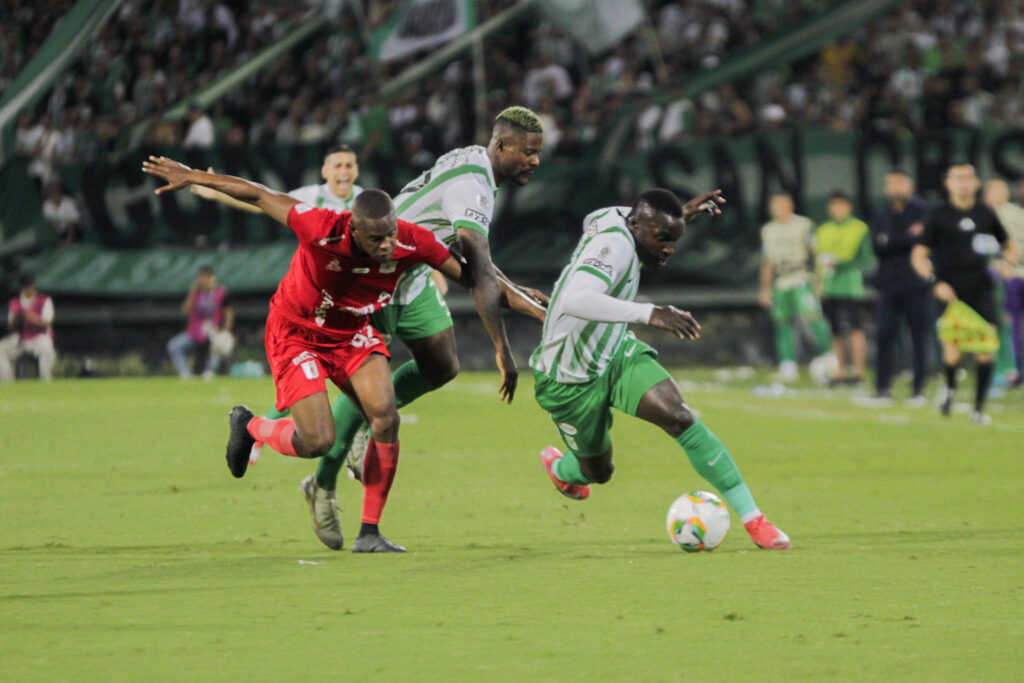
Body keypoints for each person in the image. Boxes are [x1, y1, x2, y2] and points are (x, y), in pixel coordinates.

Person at [142, 156, 478, 553]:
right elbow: (258, 195)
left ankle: (369, 532)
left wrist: (531, 304)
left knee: (386, 417)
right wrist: (196, 178)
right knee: (317, 440)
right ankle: (251, 427)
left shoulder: (399, 230)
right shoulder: (316, 218)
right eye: (378, 239)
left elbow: (475, 275)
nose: (388, 246)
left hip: (350, 328)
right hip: (297, 330)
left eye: (350, 164)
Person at [294, 106, 548, 551]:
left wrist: (522, 295)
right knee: (368, 397)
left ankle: (359, 430)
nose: (535, 161)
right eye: (528, 152)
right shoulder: (473, 188)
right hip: (372, 280)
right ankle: (322, 486)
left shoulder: (474, 159)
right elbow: (479, 277)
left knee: (442, 365)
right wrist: (503, 348)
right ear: (502, 146)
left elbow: (479, 266)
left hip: (411, 276)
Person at [532, 188, 790, 550]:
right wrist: (649, 312)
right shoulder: (615, 248)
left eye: (674, 239)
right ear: (635, 225)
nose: (668, 248)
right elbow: (576, 298)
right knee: (598, 471)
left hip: (615, 353)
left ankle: (756, 521)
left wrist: (679, 215)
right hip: (568, 380)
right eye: (662, 238)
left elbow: (595, 216)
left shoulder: (618, 219)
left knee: (679, 417)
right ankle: (561, 471)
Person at [192, 144, 367, 457]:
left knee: (363, 380)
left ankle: (353, 439)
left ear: (356, 170)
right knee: (313, 383)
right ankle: (260, 431)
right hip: (311, 305)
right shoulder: (311, 197)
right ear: (326, 171)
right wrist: (217, 194)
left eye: (349, 165)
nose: (344, 171)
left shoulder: (366, 202)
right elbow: (262, 201)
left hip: (353, 304)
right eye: (337, 165)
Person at [911, 164, 1019, 423]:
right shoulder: (939, 216)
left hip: (981, 288)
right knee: (953, 351)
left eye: (969, 177)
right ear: (948, 183)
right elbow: (919, 256)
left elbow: (1009, 247)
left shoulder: (985, 214)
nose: (964, 183)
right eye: (958, 178)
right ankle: (948, 390)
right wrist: (934, 282)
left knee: (987, 345)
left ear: (976, 182)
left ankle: (978, 409)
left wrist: (1008, 262)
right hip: (951, 291)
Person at [870, 169, 933, 403]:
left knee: (918, 337)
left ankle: (917, 390)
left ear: (910, 185)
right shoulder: (882, 214)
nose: (895, 188)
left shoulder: (923, 211)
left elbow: (923, 240)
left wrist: (891, 240)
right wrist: (906, 237)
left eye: (900, 182)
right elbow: (877, 247)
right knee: (884, 334)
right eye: (891, 183)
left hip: (915, 282)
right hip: (888, 283)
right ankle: (882, 388)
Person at [758, 193, 833, 381]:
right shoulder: (768, 230)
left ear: (789, 205)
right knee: (783, 322)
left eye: (781, 204)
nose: (777, 208)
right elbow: (767, 261)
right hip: (780, 280)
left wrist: (819, 279)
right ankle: (788, 364)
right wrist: (765, 289)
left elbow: (814, 252)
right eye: (774, 205)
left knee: (812, 316)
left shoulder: (803, 225)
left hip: (801, 276)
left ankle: (830, 355)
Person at [814, 190, 872, 385]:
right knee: (835, 331)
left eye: (841, 205)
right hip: (830, 287)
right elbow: (818, 261)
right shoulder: (823, 230)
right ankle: (839, 373)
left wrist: (840, 264)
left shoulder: (859, 228)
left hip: (850, 287)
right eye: (834, 205)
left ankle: (858, 373)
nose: (838, 209)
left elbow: (865, 258)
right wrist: (819, 284)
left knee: (855, 329)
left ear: (849, 207)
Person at [982, 178, 1024, 386]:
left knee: (1010, 324)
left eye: (1002, 189)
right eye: (994, 189)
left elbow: (1016, 249)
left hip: (1013, 277)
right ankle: (995, 369)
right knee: (991, 325)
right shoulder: (979, 214)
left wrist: (1009, 261)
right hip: (986, 277)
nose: (999, 194)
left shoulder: (1016, 214)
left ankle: (1012, 370)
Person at [167, 265, 235, 380]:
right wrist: (192, 292)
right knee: (174, 346)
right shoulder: (196, 293)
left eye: (207, 276)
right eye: (202, 277)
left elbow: (228, 313)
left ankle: (209, 372)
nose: (205, 279)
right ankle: (185, 375)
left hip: (213, 331)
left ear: (213, 278)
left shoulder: (220, 292)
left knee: (218, 345)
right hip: (195, 331)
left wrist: (225, 330)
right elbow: (185, 310)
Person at [0, 273, 57, 381]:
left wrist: (32, 317)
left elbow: (47, 323)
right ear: (21, 288)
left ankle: (46, 381)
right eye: (25, 287)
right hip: (21, 337)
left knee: (47, 349)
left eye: (29, 286)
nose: (27, 289)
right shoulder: (15, 302)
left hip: (39, 337)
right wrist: (16, 319)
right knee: (1, 349)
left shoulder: (43, 300)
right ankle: (7, 383)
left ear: (33, 286)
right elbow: (10, 327)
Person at [41, 180, 81, 246]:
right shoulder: (47, 205)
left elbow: (72, 223)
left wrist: (69, 240)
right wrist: (60, 238)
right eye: (50, 193)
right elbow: (50, 222)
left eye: (55, 191)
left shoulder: (69, 202)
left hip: (75, 233)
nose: (53, 194)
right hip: (61, 234)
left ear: (59, 191)